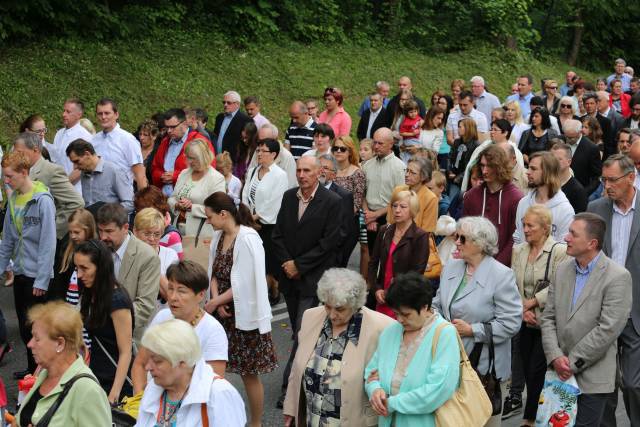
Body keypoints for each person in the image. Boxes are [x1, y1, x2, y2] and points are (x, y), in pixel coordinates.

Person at [540, 213, 632, 427]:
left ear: (592, 243)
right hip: (558, 375)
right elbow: (548, 318)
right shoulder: (562, 270)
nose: (565, 238)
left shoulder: (618, 277)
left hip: (593, 379)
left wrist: (571, 363)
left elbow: (608, 330)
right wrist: (555, 357)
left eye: (573, 233)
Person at [433, 216, 523, 426]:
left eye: (462, 238)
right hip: (448, 359)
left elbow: (511, 322)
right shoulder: (452, 267)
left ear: (480, 243)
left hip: (482, 367)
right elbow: (436, 304)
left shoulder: (502, 275)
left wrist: (472, 330)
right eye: (457, 236)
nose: (456, 242)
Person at [272, 155, 343, 407]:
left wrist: (300, 266)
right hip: (289, 279)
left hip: (313, 279)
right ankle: (313, 376)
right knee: (301, 334)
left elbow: (330, 242)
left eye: (307, 171)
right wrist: (288, 265)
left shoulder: (332, 202)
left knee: (303, 333)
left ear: (318, 173)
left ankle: (288, 390)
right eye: (299, 170)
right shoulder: (289, 197)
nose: (301, 175)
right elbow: (277, 234)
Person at [283, 268, 394, 427]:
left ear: (355, 303)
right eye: (327, 306)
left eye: (340, 308)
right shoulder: (311, 316)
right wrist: (291, 408)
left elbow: (392, 380)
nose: (332, 314)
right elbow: (297, 366)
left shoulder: (382, 327)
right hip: (313, 419)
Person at [203, 192, 277, 426]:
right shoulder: (218, 237)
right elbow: (213, 271)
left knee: (248, 373)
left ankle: (255, 422)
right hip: (223, 311)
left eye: (209, 216)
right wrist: (216, 299)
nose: (208, 221)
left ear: (223, 214)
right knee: (215, 370)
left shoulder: (247, 237)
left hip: (243, 314)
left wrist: (216, 303)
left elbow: (245, 281)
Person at [364, 272, 461, 427]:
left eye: (406, 314)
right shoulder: (391, 331)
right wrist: (375, 391)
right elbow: (371, 373)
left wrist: (391, 403)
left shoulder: (444, 333)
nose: (400, 320)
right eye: (396, 314)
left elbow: (437, 390)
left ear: (425, 307)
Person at [587, 155, 640, 424]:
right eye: (603, 180)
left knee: (632, 383)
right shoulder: (596, 208)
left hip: (636, 310)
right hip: (603, 310)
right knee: (603, 385)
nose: (607, 185)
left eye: (612, 180)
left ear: (631, 178)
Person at [504, 205, 569, 424]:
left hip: (546, 322)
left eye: (530, 225)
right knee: (527, 371)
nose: (525, 229)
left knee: (537, 371)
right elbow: (512, 283)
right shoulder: (519, 250)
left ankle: (530, 419)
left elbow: (559, 284)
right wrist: (522, 309)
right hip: (524, 320)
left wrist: (532, 303)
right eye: (524, 224)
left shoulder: (559, 251)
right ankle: (538, 416)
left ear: (545, 228)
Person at [131, 260, 228, 394]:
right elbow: (140, 364)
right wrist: (140, 399)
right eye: (170, 288)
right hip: (153, 401)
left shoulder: (213, 331)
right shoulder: (162, 317)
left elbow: (213, 385)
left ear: (200, 295)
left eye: (181, 291)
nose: (172, 297)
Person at [0, 151, 56, 378]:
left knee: (38, 328)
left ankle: (44, 373)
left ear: (24, 173)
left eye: (10, 176)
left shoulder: (43, 200)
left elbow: (48, 243)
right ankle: (32, 369)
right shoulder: (13, 200)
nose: (6, 181)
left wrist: (42, 279)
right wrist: (2, 266)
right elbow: (8, 239)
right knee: (24, 327)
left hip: (38, 276)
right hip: (22, 271)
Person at [15, 301, 111, 426]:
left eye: (37, 338)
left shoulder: (87, 391)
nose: (30, 344)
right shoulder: (45, 374)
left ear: (60, 343)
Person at [136, 319, 246, 426]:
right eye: (148, 360)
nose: (147, 367)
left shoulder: (219, 394)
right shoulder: (154, 387)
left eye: (157, 361)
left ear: (182, 361)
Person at [74, 239, 133, 402]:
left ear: (101, 268)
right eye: (77, 268)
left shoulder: (118, 301)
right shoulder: (89, 292)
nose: (79, 275)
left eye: (84, 268)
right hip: (94, 377)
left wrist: (114, 394)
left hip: (114, 384)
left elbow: (125, 352)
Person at [96, 203, 160, 343]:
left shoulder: (147, 256)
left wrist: (107, 321)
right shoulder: (99, 250)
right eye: (100, 231)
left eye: (109, 231)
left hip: (129, 338)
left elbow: (145, 306)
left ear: (125, 228)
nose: (103, 237)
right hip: (97, 336)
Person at [13, 132, 84, 240]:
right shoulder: (23, 170)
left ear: (35, 150)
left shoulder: (51, 171)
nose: (16, 156)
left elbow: (76, 203)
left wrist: (50, 231)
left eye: (19, 152)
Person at [369, 190, 429, 318]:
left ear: (412, 210)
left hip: (402, 299)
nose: (397, 210)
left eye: (403, 207)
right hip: (380, 298)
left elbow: (416, 273)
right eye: (394, 206)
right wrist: (377, 289)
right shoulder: (384, 230)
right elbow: (373, 263)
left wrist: (391, 291)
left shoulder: (420, 236)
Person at [242, 138, 288, 300]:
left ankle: (271, 290)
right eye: (258, 150)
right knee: (252, 258)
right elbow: (246, 192)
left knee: (267, 260)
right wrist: (247, 214)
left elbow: (274, 201)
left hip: (268, 225)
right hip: (250, 222)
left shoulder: (279, 175)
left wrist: (255, 217)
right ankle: (257, 292)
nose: (259, 154)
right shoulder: (253, 170)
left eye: (263, 151)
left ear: (274, 154)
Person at [462, 145, 524, 266]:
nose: (484, 171)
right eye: (482, 165)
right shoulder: (471, 196)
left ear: (500, 167)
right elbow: (464, 232)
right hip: (472, 264)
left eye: (490, 166)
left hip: (502, 268)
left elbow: (515, 238)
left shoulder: (516, 198)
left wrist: (495, 266)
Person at [168, 138, 225, 239]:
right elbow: (171, 199)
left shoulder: (216, 178)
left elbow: (218, 209)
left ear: (203, 157)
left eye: (193, 158)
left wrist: (192, 207)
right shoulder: (184, 173)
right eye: (188, 157)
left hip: (201, 235)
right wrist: (177, 205)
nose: (189, 161)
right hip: (177, 231)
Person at [513, 151, 575, 244]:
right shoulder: (523, 203)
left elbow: (564, 249)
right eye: (528, 168)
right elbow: (518, 238)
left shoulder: (565, 210)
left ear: (548, 173)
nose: (528, 172)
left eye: (533, 169)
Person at [151, 108, 214, 196]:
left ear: (185, 124)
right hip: (163, 199)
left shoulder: (200, 141)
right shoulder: (165, 142)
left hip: (188, 200)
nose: (169, 131)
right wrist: (161, 176)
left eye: (173, 127)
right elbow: (155, 168)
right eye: (167, 127)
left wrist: (176, 177)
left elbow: (208, 171)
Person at [362, 128, 406, 253]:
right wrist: (368, 214)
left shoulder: (399, 167)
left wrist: (375, 215)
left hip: (389, 217)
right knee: (371, 256)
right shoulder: (367, 165)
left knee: (386, 257)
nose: (376, 147)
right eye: (374, 142)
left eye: (380, 143)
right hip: (368, 215)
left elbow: (401, 199)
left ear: (391, 144)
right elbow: (363, 193)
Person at [65, 138, 134, 213]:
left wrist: (108, 213)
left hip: (111, 222)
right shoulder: (84, 173)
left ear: (87, 154)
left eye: (77, 161)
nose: (75, 167)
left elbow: (130, 203)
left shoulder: (114, 171)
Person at [91, 98, 147, 190]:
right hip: (98, 197)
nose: (103, 117)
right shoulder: (94, 140)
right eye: (100, 114)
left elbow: (140, 175)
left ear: (116, 114)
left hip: (122, 197)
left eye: (107, 113)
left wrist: (144, 202)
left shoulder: (128, 140)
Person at [132, 208, 179, 303]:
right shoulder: (128, 254)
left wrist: (151, 259)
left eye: (157, 234)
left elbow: (171, 296)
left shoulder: (170, 255)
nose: (152, 239)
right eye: (147, 233)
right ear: (135, 231)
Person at [319, 154, 357, 267]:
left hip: (330, 256)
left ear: (334, 174)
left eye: (325, 168)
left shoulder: (343, 196)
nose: (321, 171)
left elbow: (344, 231)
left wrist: (325, 249)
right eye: (319, 167)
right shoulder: (305, 191)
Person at [49, 98, 93, 193]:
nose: (63, 114)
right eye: (64, 111)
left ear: (78, 115)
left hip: (75, 190)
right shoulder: (59, 133)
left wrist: (64, 186)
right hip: (57, 186)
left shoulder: (84, 136)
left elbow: (82, 167)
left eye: (68, 112)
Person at [387, 157, 438, 232]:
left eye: (412, 173)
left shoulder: (431, 198)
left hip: (416, 241)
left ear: (423, 177)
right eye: (407, 170)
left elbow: (427, 230)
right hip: (394, 236)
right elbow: (390, 220)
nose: (407, 175)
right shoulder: (398, 190)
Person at [134, 186, 184, 259]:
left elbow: (178, 267)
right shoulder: (138, 230)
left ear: (159, 208)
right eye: (139, 211)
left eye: (148, 210)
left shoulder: (171, 236)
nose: (144, 214)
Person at [247, 123, 298, 188]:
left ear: (275, 140)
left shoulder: (286, 157)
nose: (261, 145)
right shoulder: (258, 151)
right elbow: (249, 175)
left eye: (265, 141)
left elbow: (290, 185)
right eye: (259, 141)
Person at [563, 119, 602, 196]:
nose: (569, 140)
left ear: (580, 132)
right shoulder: (560, 141)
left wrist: (584, 192)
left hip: (580, 191)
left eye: (572, 138)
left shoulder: (591, 148)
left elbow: (596, 177)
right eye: (567, 137)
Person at [212, 90, 252, 162]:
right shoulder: (219, 117)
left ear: (237, 104)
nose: (225, 105)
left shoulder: (245, 120)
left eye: (229, 103)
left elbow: (247, 144)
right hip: (217, 158)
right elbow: (215, 136)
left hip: (232, 162)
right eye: (224, 102)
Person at [550, 142, 588, 213]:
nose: (554, 162)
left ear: (569, 162)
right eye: (552, 159)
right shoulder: (546, 184)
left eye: (559, 159)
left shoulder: (578, 191)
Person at [448, 118, 480, 200]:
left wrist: (458, 178)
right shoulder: (457, 142)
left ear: (468, 128)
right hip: (452, 177)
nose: (457, 129)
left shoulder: (476, 145)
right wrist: (449, 171)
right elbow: (450, 157)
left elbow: (472, 165)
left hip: (465, 180)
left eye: (460, 127)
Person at [582, 92, 615, 159]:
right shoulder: (580, 120)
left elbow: (608, 144)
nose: (589, 106)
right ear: (584, 105)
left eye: (592, 103)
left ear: (597, 104)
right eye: (587, 104)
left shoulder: (606, 122)